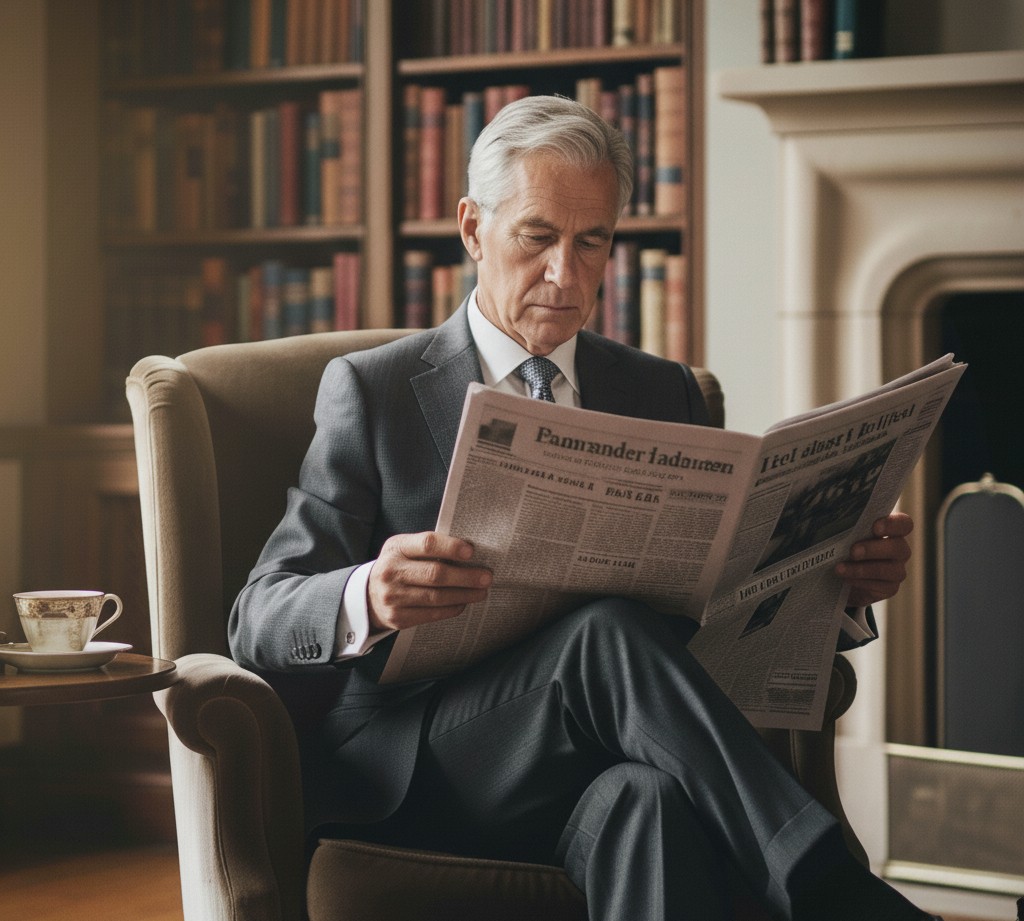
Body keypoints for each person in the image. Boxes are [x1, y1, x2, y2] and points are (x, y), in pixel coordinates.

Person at [229, 95, 939, 921]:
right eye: (537, 236)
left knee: (649, 803)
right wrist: (367, 594)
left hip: (603, 761)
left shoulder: (661, 390)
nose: (566, 275)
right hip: (425, 759)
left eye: (591, 240)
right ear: (472, 230)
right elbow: (259, 614)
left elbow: (715, 609)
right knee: (604, 632)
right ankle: (829, 887)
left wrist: (837, 591)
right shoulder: (374, 391)